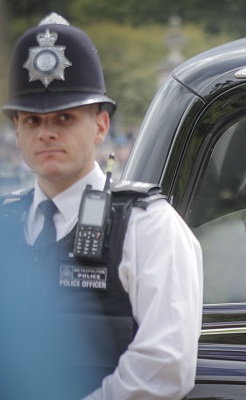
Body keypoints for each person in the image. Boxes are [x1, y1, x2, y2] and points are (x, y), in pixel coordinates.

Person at [0, 13, 203, 399]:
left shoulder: (148, 227)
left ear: (100, 125)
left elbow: (165, 366)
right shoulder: (5, 223)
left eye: (65, 117)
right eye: (31, 121)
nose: (46, 132)